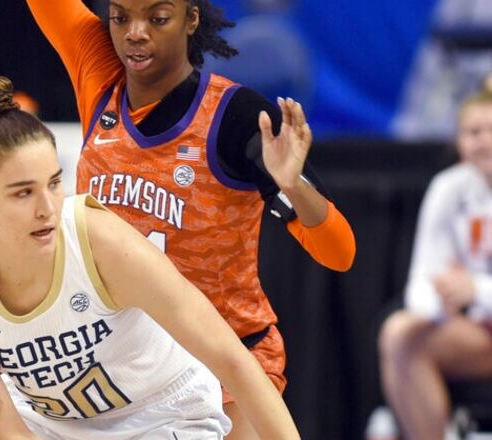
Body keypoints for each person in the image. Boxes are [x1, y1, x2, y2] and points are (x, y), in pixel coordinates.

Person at [25, 1, 356, 437]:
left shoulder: (237, 115)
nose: (135, 33)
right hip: (123, 369)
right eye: (121, 17)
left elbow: (341, 254)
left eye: (157, 19)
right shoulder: (100, 73)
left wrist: (293, 186)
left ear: (191, 18)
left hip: (226, 364)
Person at [0, 76, 300, 440]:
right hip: (49, 426)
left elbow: (231, 359)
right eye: (23, 193)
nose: (46, 207)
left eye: (54, 182)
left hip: (161, 414)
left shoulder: (99, 240)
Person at [378, 90, 492, 440]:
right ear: (459, 141)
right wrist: (441, 307)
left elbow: (469, 286)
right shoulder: (449, 187)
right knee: (399, 334)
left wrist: (476, 289)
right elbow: (423, 278)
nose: (484, 142)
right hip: (474, 325)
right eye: (473, 133)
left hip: (481, 312)